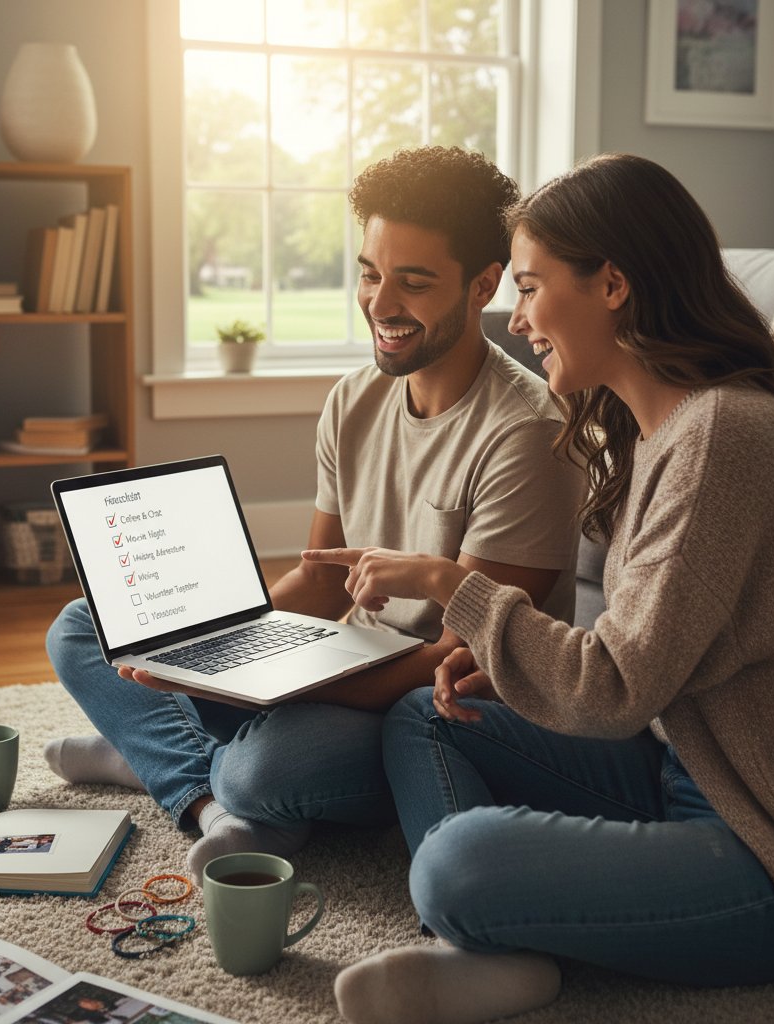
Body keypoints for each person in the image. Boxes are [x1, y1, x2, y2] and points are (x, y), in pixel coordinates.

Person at [306, 154, 774, 1024]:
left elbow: (610, 688)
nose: (519, 320)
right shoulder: (666, 426)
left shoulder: (723, 437)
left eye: (530, 289)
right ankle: (481, 948)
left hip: (771, 856)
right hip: (677, 767)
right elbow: (641, 659)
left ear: (612, 285)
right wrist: (508, 663)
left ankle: (478, 921)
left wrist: (451, 584)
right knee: (428, 714)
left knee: (462, 861)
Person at [43, 145, 587, 884]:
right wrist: (214, 635)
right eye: (369, 274)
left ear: (482, 285)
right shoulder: (353, 400)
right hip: (338, 666)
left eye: (414, 282)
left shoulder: (525, 431)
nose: (381, 303)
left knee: (269, 768)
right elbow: (321, 582)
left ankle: (166, 758)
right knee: (87, 624)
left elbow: (449, 664)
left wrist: (244, 683)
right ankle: (201, 791)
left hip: (424, 708)